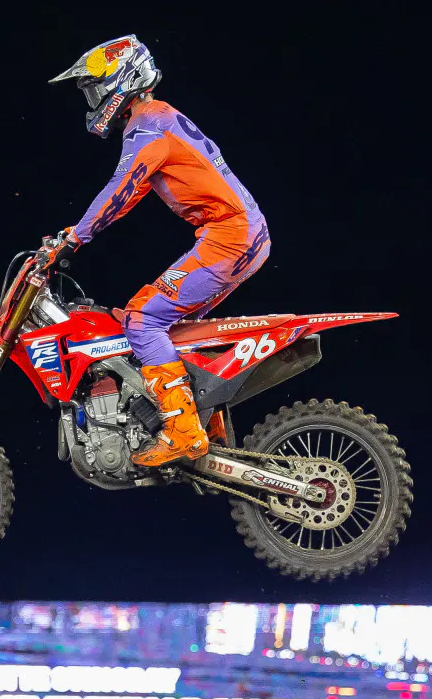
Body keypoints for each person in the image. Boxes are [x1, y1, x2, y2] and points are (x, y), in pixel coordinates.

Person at [47, 35, 270, 465]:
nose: (92, 98)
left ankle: (185, 434)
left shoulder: (148, 122)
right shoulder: (159, 118)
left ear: (122, 79)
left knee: (142, 318)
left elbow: (121, 189)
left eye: (94, 87)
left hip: (230, 236)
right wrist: (76, 232)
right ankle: (208, 428)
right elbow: (131, 192)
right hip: (240, 233)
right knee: (173, 329)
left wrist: (74, 238)